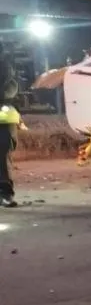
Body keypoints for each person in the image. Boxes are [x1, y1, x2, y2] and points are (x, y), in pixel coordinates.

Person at [0, 44, 22, 208]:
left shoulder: (5, 66)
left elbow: (10, 89)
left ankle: (5, 193)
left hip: (3, 119)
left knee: (2, 157)